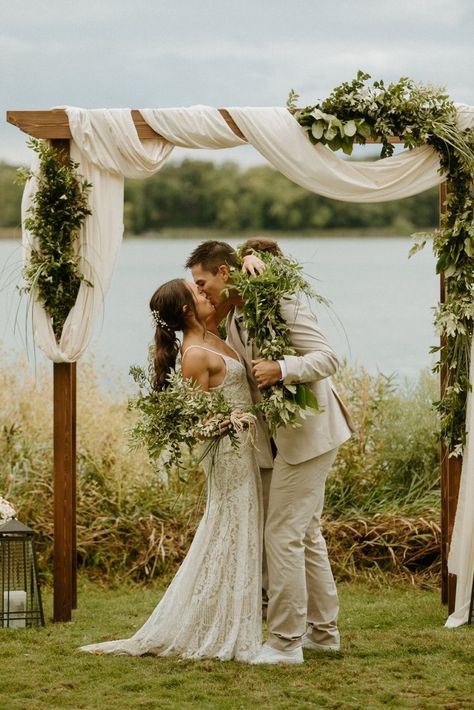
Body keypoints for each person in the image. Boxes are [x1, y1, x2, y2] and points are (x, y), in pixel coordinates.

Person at [186, 239, 354, 665]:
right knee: (305, 533)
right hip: (280, 440)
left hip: (310, 433)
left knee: (280, 533)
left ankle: (284, 643)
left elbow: (328, 357)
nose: (201, 292)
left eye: (203, 283)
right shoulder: (238, 313)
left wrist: (283, 368)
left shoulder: (278, 297)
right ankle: (323, 633)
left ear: (225, 273)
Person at [79, 279, 263, 662]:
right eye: (194, 292)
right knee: (228, 529)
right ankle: (220, 626)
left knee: (239, 528)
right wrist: (234, 421)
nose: (202, 293)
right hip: (228, 456)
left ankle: (237, 616)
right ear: (184, 309)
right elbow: (194, 427)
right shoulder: (194, 355)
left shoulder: (213, 334)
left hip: (243, 452)